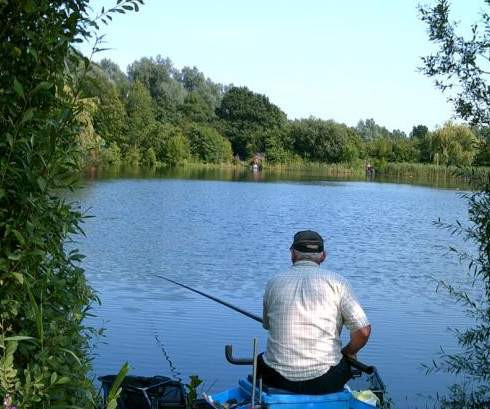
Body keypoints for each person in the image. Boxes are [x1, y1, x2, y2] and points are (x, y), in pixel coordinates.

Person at [258, 230, 371, 395]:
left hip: (278, 378)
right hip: (325, 380)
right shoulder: (338, 283)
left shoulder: (274, 282)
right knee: (344, 361)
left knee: (260, 360)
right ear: (323, 256)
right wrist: (349, 352)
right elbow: (363, 331)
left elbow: (267, 325)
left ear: (292, 253)